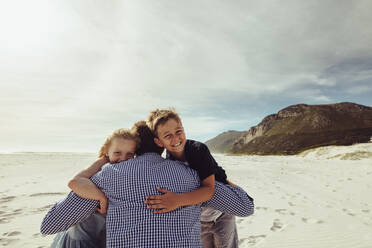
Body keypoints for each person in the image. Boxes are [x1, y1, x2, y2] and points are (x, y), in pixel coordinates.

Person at [41, 121, 254, 248]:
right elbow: (245, 207)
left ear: (135, 147)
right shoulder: (191, 177)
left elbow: (49, 225)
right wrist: (224, 181)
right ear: (160, 143)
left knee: (71, 231)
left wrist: (99, 189)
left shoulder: (109, 176)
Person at [146, 108, 240, 248]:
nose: (176, 139)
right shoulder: (168, 161)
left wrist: (176, 201)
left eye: (179, 131)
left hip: (222, 215)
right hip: (200, 220)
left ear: (183, 129)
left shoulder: (198, 150)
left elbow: (209, 190)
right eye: (168, 136)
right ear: (159, 142)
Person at [49, 128, 139, 248]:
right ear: (107, 152)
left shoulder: (131, 169)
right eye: (117, 153)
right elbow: (73, 182)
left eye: (129, 154)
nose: (123, 158)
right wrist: (102, 198)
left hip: (101, 231)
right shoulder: (103, 163)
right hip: (81, 235)